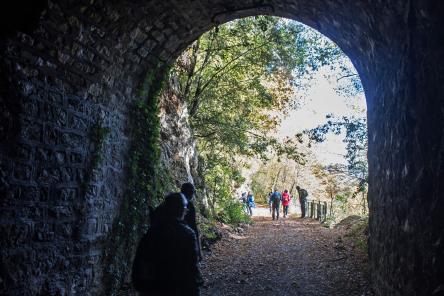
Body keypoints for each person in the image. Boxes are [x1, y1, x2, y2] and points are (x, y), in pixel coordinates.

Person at [132, 192, 203, 296]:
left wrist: (142, 286)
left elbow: (141, 261)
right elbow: (191, 267)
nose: (186, 210)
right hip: (178, 288)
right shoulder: (188, 234)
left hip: (154, 288)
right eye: (185, 207)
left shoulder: (152, 232)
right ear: (181, 210)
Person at [149, 182, 203, 261]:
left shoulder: (170, 200)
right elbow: (194, 227)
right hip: (179, 241)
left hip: (160, 239)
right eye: (192, 192)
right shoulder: (189, 205)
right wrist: (199, 251)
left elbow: (155, 215)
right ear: (190, 193)